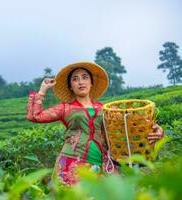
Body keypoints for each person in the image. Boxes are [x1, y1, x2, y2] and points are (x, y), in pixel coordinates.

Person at [26, 62, 164, 185]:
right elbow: (35, 116)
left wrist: (156, 130)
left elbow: (130, 128)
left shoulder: (105, 109)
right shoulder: (65, 108)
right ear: (70, 86)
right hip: (72, 163)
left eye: (85, 77)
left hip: (102, 164)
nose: (80, 82)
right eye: (75, 79)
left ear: (91, 83)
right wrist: (43, 90)